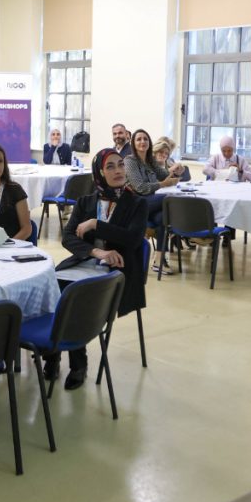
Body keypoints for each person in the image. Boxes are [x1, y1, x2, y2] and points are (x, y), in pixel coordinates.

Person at [48, 149, 146, 390]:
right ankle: (52, 353)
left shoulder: (137, 203)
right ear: (99, 173)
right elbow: (68, 238)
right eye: (110, 166)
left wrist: (96, 224)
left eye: (121, 165)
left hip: (118, 271)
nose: (118, 171)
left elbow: (133, 240)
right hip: (86, 262)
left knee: (77, 296)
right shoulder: (86, 202)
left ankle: (78, 364)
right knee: (50, 288)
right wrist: (96, 252)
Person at [124, 129, 179, 273]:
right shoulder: (129, 161)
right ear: (133, 143)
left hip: (150, 203)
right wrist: (163, 184)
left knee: (162, 218)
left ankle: (159, 261)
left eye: (145, 139)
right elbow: (140, 187)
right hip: (134, 203)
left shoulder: (150, 161)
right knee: (168, 200)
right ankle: (179, 232)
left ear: (149, 142)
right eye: (139, 139)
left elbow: (164, 175)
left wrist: (177, 170)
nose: (142, 141)